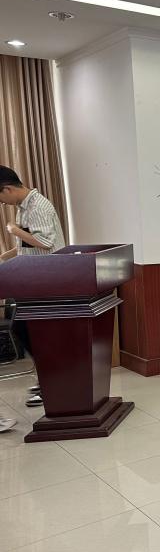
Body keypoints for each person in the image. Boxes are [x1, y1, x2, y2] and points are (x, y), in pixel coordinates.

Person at [0, 166, 66, 410]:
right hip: (34, 280)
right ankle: (47, 379)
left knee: (35, 334)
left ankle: (52, 383)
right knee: (26, 331)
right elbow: (28, 245)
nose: (2, 203)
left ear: (7, 189)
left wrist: (14, 230)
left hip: (48, 281)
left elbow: (45, 243)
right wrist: (4, 257)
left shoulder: (38, 206)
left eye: (1, 197)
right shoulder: (24, 208)